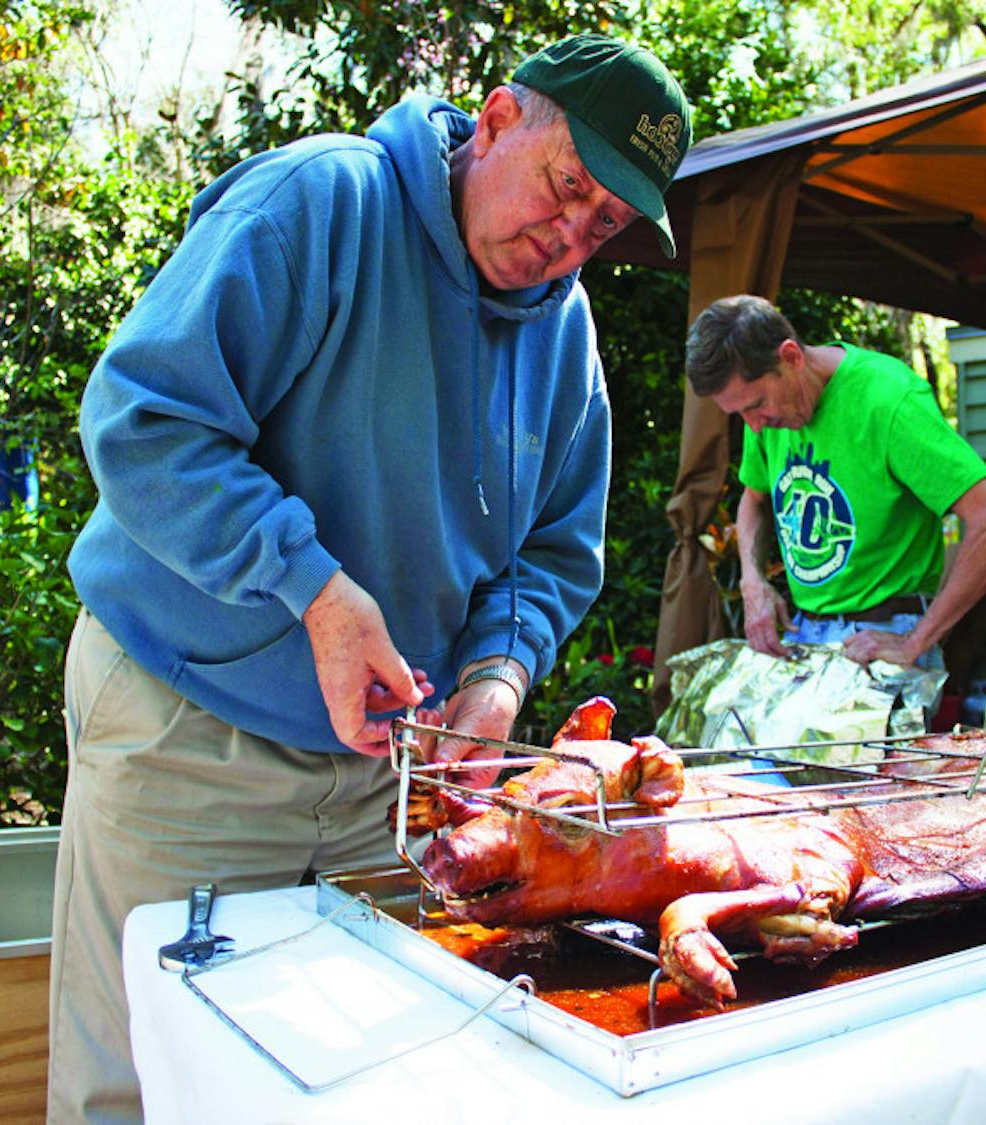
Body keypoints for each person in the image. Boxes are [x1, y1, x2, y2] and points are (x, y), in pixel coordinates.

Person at [48, 34, 691, 1122]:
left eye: (606, 225)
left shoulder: (569, 334)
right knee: (140, 1075)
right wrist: (311, 586)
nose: (570, 237)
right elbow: (143, 422)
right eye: (567, 186)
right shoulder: (321, 202)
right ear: (494, 122)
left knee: (375, 1077)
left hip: (390, 776)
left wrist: (496, 675)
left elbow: (551, 551)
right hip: (190, 728)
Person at [684, 294, 986, 672]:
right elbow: (754, 499)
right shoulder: (768, 415)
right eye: (739, 414)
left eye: (755, 404)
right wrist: (753, 581)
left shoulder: (889, 399)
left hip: (885, 632)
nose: (753, 425)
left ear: (791, 357)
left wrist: (919, 640)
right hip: (804, 633)